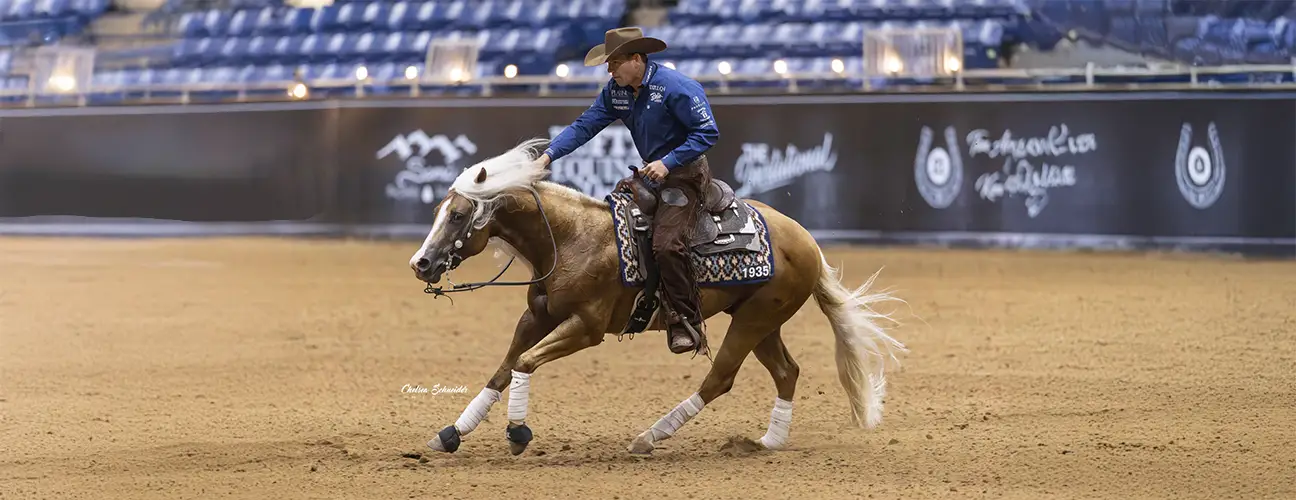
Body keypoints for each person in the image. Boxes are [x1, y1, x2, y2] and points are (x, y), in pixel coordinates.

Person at [531, 26, 720, 355]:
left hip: (686, 174)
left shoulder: (678, 87)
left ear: (636, 59)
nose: (609, 70)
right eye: (608, 65)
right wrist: (548, 155)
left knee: (667, 244)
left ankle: (684, 319)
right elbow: (585, 125)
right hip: (652, 175)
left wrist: (668, 162)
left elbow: (707, 132)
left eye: (614, 63)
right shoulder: (616, 91)